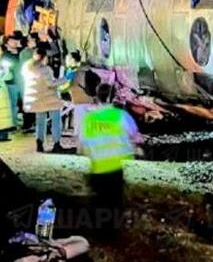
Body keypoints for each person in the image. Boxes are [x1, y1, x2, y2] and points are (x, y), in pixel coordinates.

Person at [80, 83, 141, 233]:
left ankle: (98, 232)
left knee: (98, 203)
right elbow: (136, 137)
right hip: (114, 169)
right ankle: (112, 233)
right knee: (114, 204)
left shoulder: (89, 118)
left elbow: (82, 146)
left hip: (96, 169)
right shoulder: (120, 116)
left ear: (97, 97)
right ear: (113, 97)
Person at [22, 44, 66, 153]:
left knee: (40, 122)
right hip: (49, 99)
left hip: (36, 99)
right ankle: (56, 144)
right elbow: (51, 84)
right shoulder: (44, 69)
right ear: (44, 57)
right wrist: (65, 79)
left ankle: (39, 144)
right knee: (56, 121)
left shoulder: (27, 67)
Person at [1, 31, 24, 129]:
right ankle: (13, 123)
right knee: (13, 104)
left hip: (23, 81)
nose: (14, 42)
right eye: (11, 41)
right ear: (6, 44)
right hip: (12, 83)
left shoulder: (22, 52)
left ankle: (26, 123)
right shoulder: (6, 56)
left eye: (14, 40)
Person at [0, 50, 16, 142]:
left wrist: (7, 70)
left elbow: (9, 77)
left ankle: (3, 134)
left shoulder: (2, 63)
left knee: (4, 114)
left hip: (3, 93)